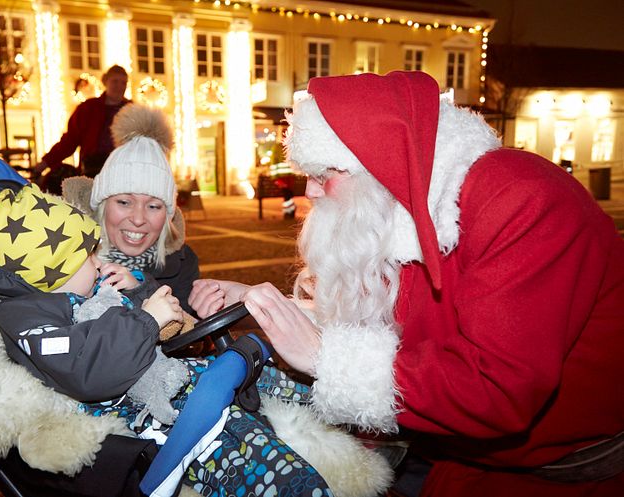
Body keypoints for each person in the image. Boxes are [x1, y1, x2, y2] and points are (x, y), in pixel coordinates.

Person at [189, 71, 624, 497]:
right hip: (463, 456)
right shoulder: (401, 203)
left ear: (381, 161)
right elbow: (382, 315)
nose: (311, 193)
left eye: (325, 175)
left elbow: (496, 389)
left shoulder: (520, 200)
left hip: (562, 473)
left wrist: (325, 358)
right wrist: (260, 304)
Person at [0, 181, 337, 497]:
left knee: (266, 376)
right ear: (54, 270)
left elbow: (158, 330)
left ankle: (334, 403)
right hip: (147, 412)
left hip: (173, 376)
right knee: (252, 452)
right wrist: (147, 318)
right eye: (87, 256)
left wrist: (138, 294)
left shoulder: (83, 289)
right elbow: (88, 371)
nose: (98, 260)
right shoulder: (25, 317)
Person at [62, 103, 199, 314]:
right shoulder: (68, 252)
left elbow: (188, 341)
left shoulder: (182, 263)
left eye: (153, 206)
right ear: (102, 206)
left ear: (167, 215)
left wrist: (140, 289)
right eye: (124, 202)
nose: (138, 219)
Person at [36, 64, 131, 179]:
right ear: (106, 82)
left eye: (123, 83)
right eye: (115, 81)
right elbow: (69, 141)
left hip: (123, 171)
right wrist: (45, 163)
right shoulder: (88, 109)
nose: (119, 86)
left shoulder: (133, 111)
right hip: (93, 170)